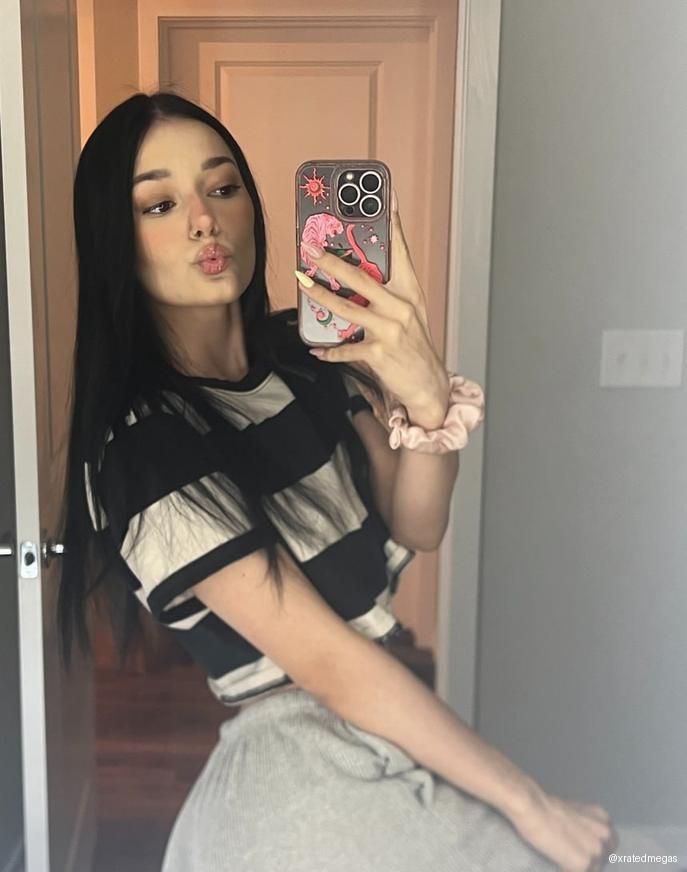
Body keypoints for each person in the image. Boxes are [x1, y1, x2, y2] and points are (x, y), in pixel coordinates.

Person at [56, 90, 618, 872]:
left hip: (384, 716)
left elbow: (417, 523)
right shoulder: (141, 448)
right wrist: (530, 802)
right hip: (299, 768)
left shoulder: (306, 354)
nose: (204, 220)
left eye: (222, 187)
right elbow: (327, 662)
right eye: (159, 204)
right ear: (114, 240)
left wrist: (425, 396)